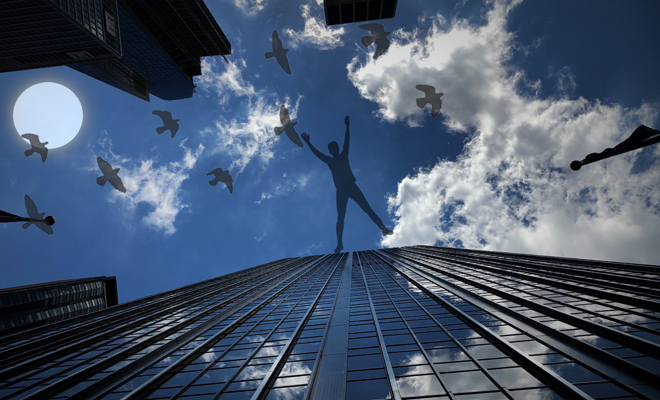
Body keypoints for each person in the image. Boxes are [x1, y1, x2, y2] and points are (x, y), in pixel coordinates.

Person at [302, 115, 393, 253]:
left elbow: (347, 141)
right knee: (341, 217)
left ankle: (382, 227)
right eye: (333, 148)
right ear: (331, 151)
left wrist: (347, 127)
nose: (336, 149)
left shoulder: (342, 156)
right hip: (343, 190)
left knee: (366, 208)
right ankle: (340, 244)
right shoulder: (331, 161)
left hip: (350, 186)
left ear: (336, 149)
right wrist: (309, 143)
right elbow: (319, 154)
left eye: (336, 147)